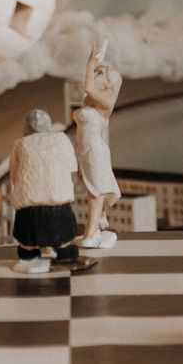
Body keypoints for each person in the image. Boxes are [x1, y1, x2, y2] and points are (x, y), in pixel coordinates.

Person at [8, 108, 80, 274]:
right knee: (64, 242)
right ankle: (64, 251)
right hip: (59, 202)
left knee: (27, 245)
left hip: (29, 207)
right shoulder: (62, 139)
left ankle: (29, 253)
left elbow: (14, 176)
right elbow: (72, 168)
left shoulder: (20, 144)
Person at [74, 41, 122, 249]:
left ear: (109, 82)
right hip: (84, 151)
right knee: (91, 190)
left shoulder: (106, 103)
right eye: (97, 71)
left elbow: (87, 86)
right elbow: (87, 87)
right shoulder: (89, 102)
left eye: (102, 72)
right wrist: (93, 61)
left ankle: (91, 233)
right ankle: (101, 219)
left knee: (97, 192)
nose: (96, 73)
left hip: (95, 150)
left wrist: (92, 59)